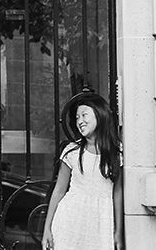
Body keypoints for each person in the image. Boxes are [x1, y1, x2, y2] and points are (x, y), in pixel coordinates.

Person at [42, 92, 124, 250]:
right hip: (70, 220)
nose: (80, 121)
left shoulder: (117, 152)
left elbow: (118, 192)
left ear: (100, 114)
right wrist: (47, 229)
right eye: (77, 117)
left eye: (84, 115)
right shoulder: (72, 151)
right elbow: (59, 190)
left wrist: (118, 232)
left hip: (102, 223)